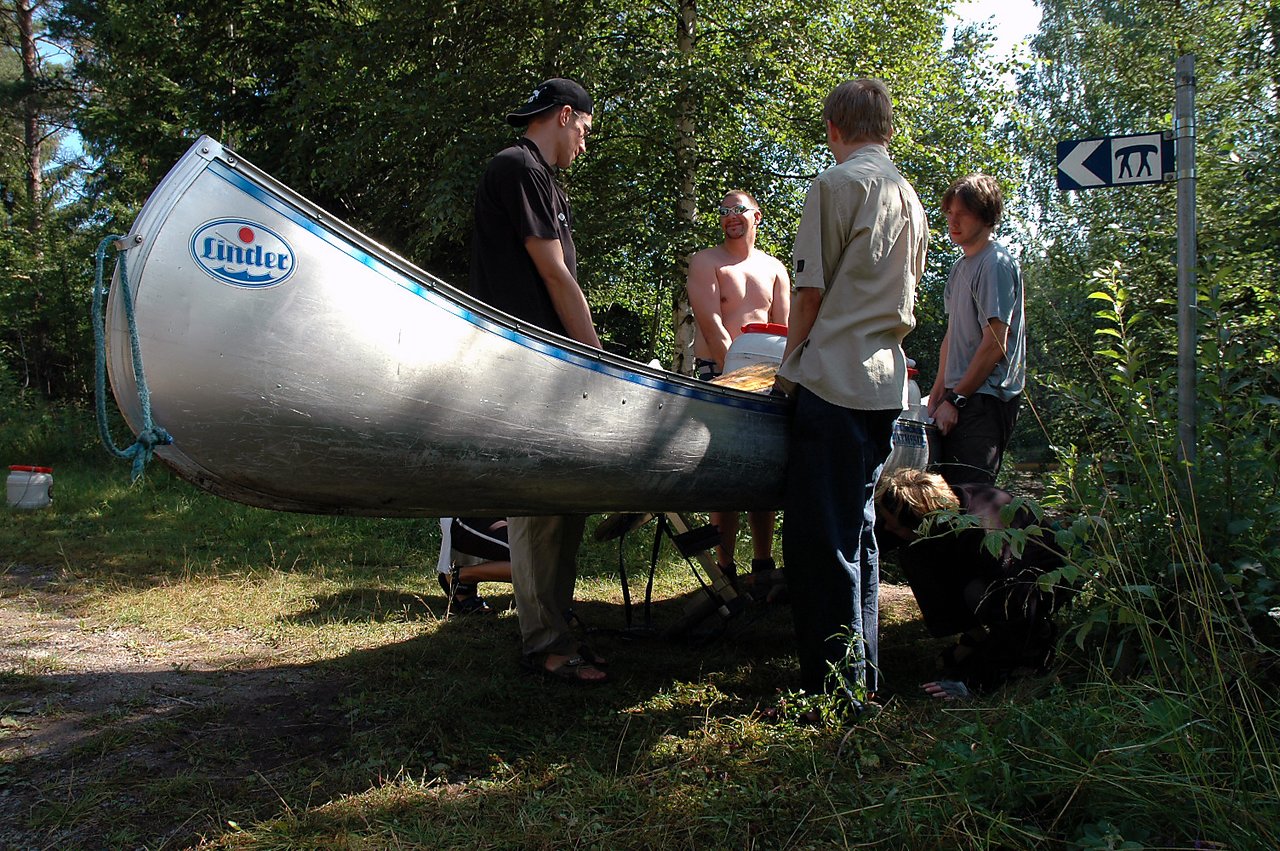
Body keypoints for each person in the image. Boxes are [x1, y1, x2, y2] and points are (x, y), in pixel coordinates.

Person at [774, 78, 928, 706]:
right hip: (884, 383)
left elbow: (808, 296)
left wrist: (785, 371)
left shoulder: (836, 184)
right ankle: (859, 677)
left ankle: (829, 693)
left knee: (819, 538)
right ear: (886, 128)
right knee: (861, 533)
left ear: (835, 128)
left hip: (834, 379)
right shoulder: (910, 196)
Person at [467, 78, 607, 684]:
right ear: (566, 115)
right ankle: (545, 643)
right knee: (542, 504)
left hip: (549, 361)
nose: (583, 143)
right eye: (584, 130)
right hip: (530, 359)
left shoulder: (542, 178)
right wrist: (598, 356)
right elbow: (553, 273)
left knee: (562, 497)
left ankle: (554, 625)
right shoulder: (517, 167)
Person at [875, 468, 1066, 700]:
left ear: (920, 522)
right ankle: (975, 638)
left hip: (1045, 583)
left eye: (893, 524)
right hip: (1002, 580)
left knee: (979, 594)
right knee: (913, 552)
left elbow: (1019, 611)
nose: (887, 528)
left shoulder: (988, 540)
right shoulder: (944, 508)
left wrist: (974, 682)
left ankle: (1031, 652)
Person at [686, 189, 790, 589]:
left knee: (764, 469)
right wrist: (735, 373)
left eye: (739, 210)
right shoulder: (706, 262)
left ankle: (763, 563)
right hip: (719, 375)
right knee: (724, 470)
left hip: (765, 380)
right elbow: (710, 321)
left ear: (756, 217)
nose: (731, 216)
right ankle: (725, 566)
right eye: (724, 210)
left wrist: (770, 377)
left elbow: (783, 331)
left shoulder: (775, 269)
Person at [927, 174, 1026, 487]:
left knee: (973, 502)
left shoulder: (995, 262)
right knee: (946, 503)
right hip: (958, 397)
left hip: (984, 399)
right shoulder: (960, 267)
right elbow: (951, 337)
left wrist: (956, 399)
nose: (953, 222)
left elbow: (996, 341)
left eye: (962, 214)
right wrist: (938, 391)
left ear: (985, 215)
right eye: (949, 214)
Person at [436, 517, 512, 615]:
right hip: (468, 515)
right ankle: (459, 577)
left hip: (509, 517)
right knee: (531, 559)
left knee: (534, 557)